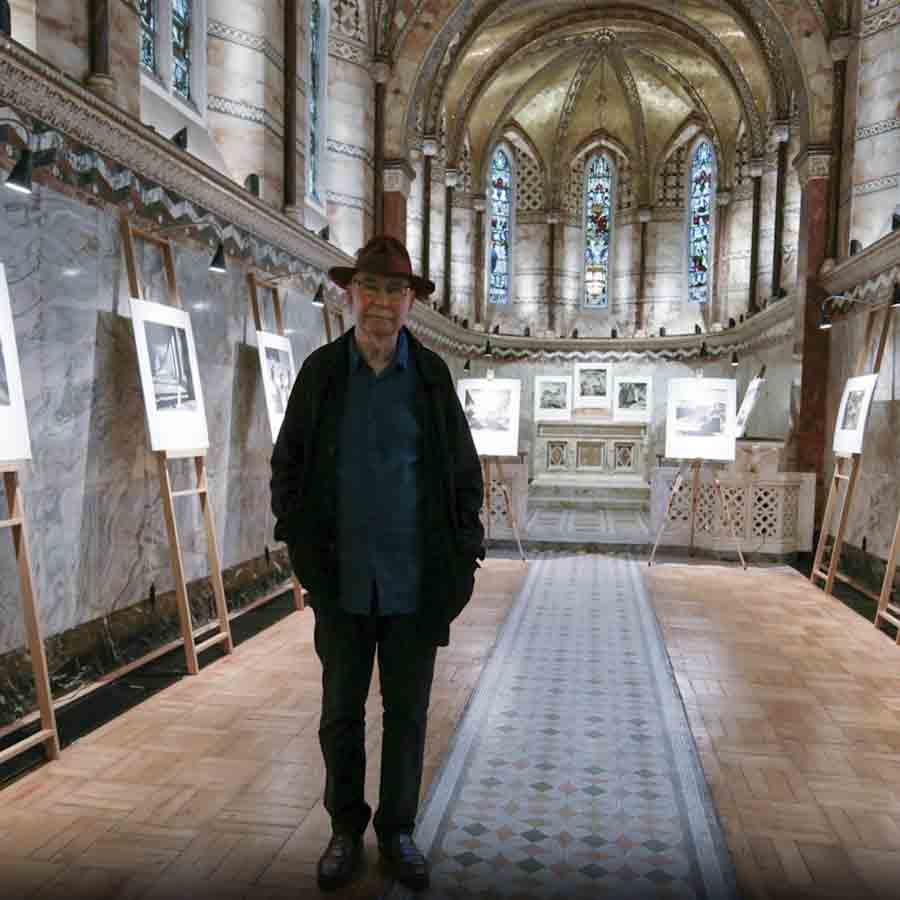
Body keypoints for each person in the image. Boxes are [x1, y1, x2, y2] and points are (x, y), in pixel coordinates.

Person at [270, 235, 485, 892]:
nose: (383, 303)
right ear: (350, 294)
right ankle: (344, 827)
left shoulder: (429, 377)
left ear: (410, 303)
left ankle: (396, 831)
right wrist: (301, 544)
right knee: (340, 711)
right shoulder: (321, 373)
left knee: (408, 715)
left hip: (413, 585)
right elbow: (289, 466)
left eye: (396, 291)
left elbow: (461, 475)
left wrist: (464, 554)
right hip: (342, 581)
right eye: (372, 288)